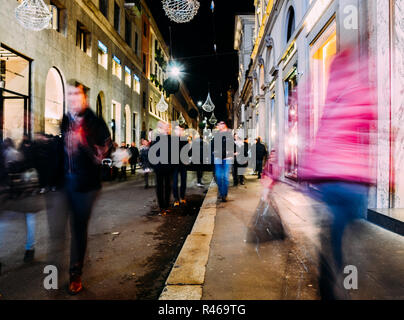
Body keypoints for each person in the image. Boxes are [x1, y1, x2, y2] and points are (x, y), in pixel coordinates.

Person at [300, 47, 376, 300]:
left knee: (332, 235)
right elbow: (369, 129)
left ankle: (331, 282)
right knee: (351, 233)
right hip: (355, 181)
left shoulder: (328, 96)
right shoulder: (362, 92)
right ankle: (347, 275)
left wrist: (306, 171)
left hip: (329, 178)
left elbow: (314, 136)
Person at [61, 81, 111, 295]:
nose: (72, 99)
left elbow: (105, 150)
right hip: (66, 181)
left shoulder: (95, 122)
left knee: (78, 227)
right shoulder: (65, 121)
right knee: (69, 228)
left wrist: (87, 144)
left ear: (84, 98)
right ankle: (79, 259)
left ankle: (76, 274)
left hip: (86, 185)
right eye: (69, 95)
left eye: (76, 95)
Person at [150, 121, 173, 215]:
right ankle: (162, 207)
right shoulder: (156, 139)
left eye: (168, 127)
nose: (166, 129)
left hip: (168, 167)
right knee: (159, 187)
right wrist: (154, 166)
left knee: (168, 187)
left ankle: (166, 206)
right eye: (165, 127)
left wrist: (172, 165)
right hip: (159, 167)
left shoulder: (172, 139)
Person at [213, 121, 234, 202]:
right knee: (218, 176)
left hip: (227, 159)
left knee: (225, 177)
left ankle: (224, 195)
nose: (220, 126)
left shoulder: (229, 134)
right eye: (219, 124)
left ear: (224, 125)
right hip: (218, 158)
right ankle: (221, 192)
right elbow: (212, 144)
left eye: (221, 124)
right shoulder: (216, 135)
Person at [172, 125, 189, 207]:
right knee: (174, 182)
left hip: (183, 164)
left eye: (181, 130)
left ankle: (182, 197)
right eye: (178, 130)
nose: (179, 131)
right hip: (174, 164)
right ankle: (176, 198)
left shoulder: (185, 140)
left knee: (183, 181)